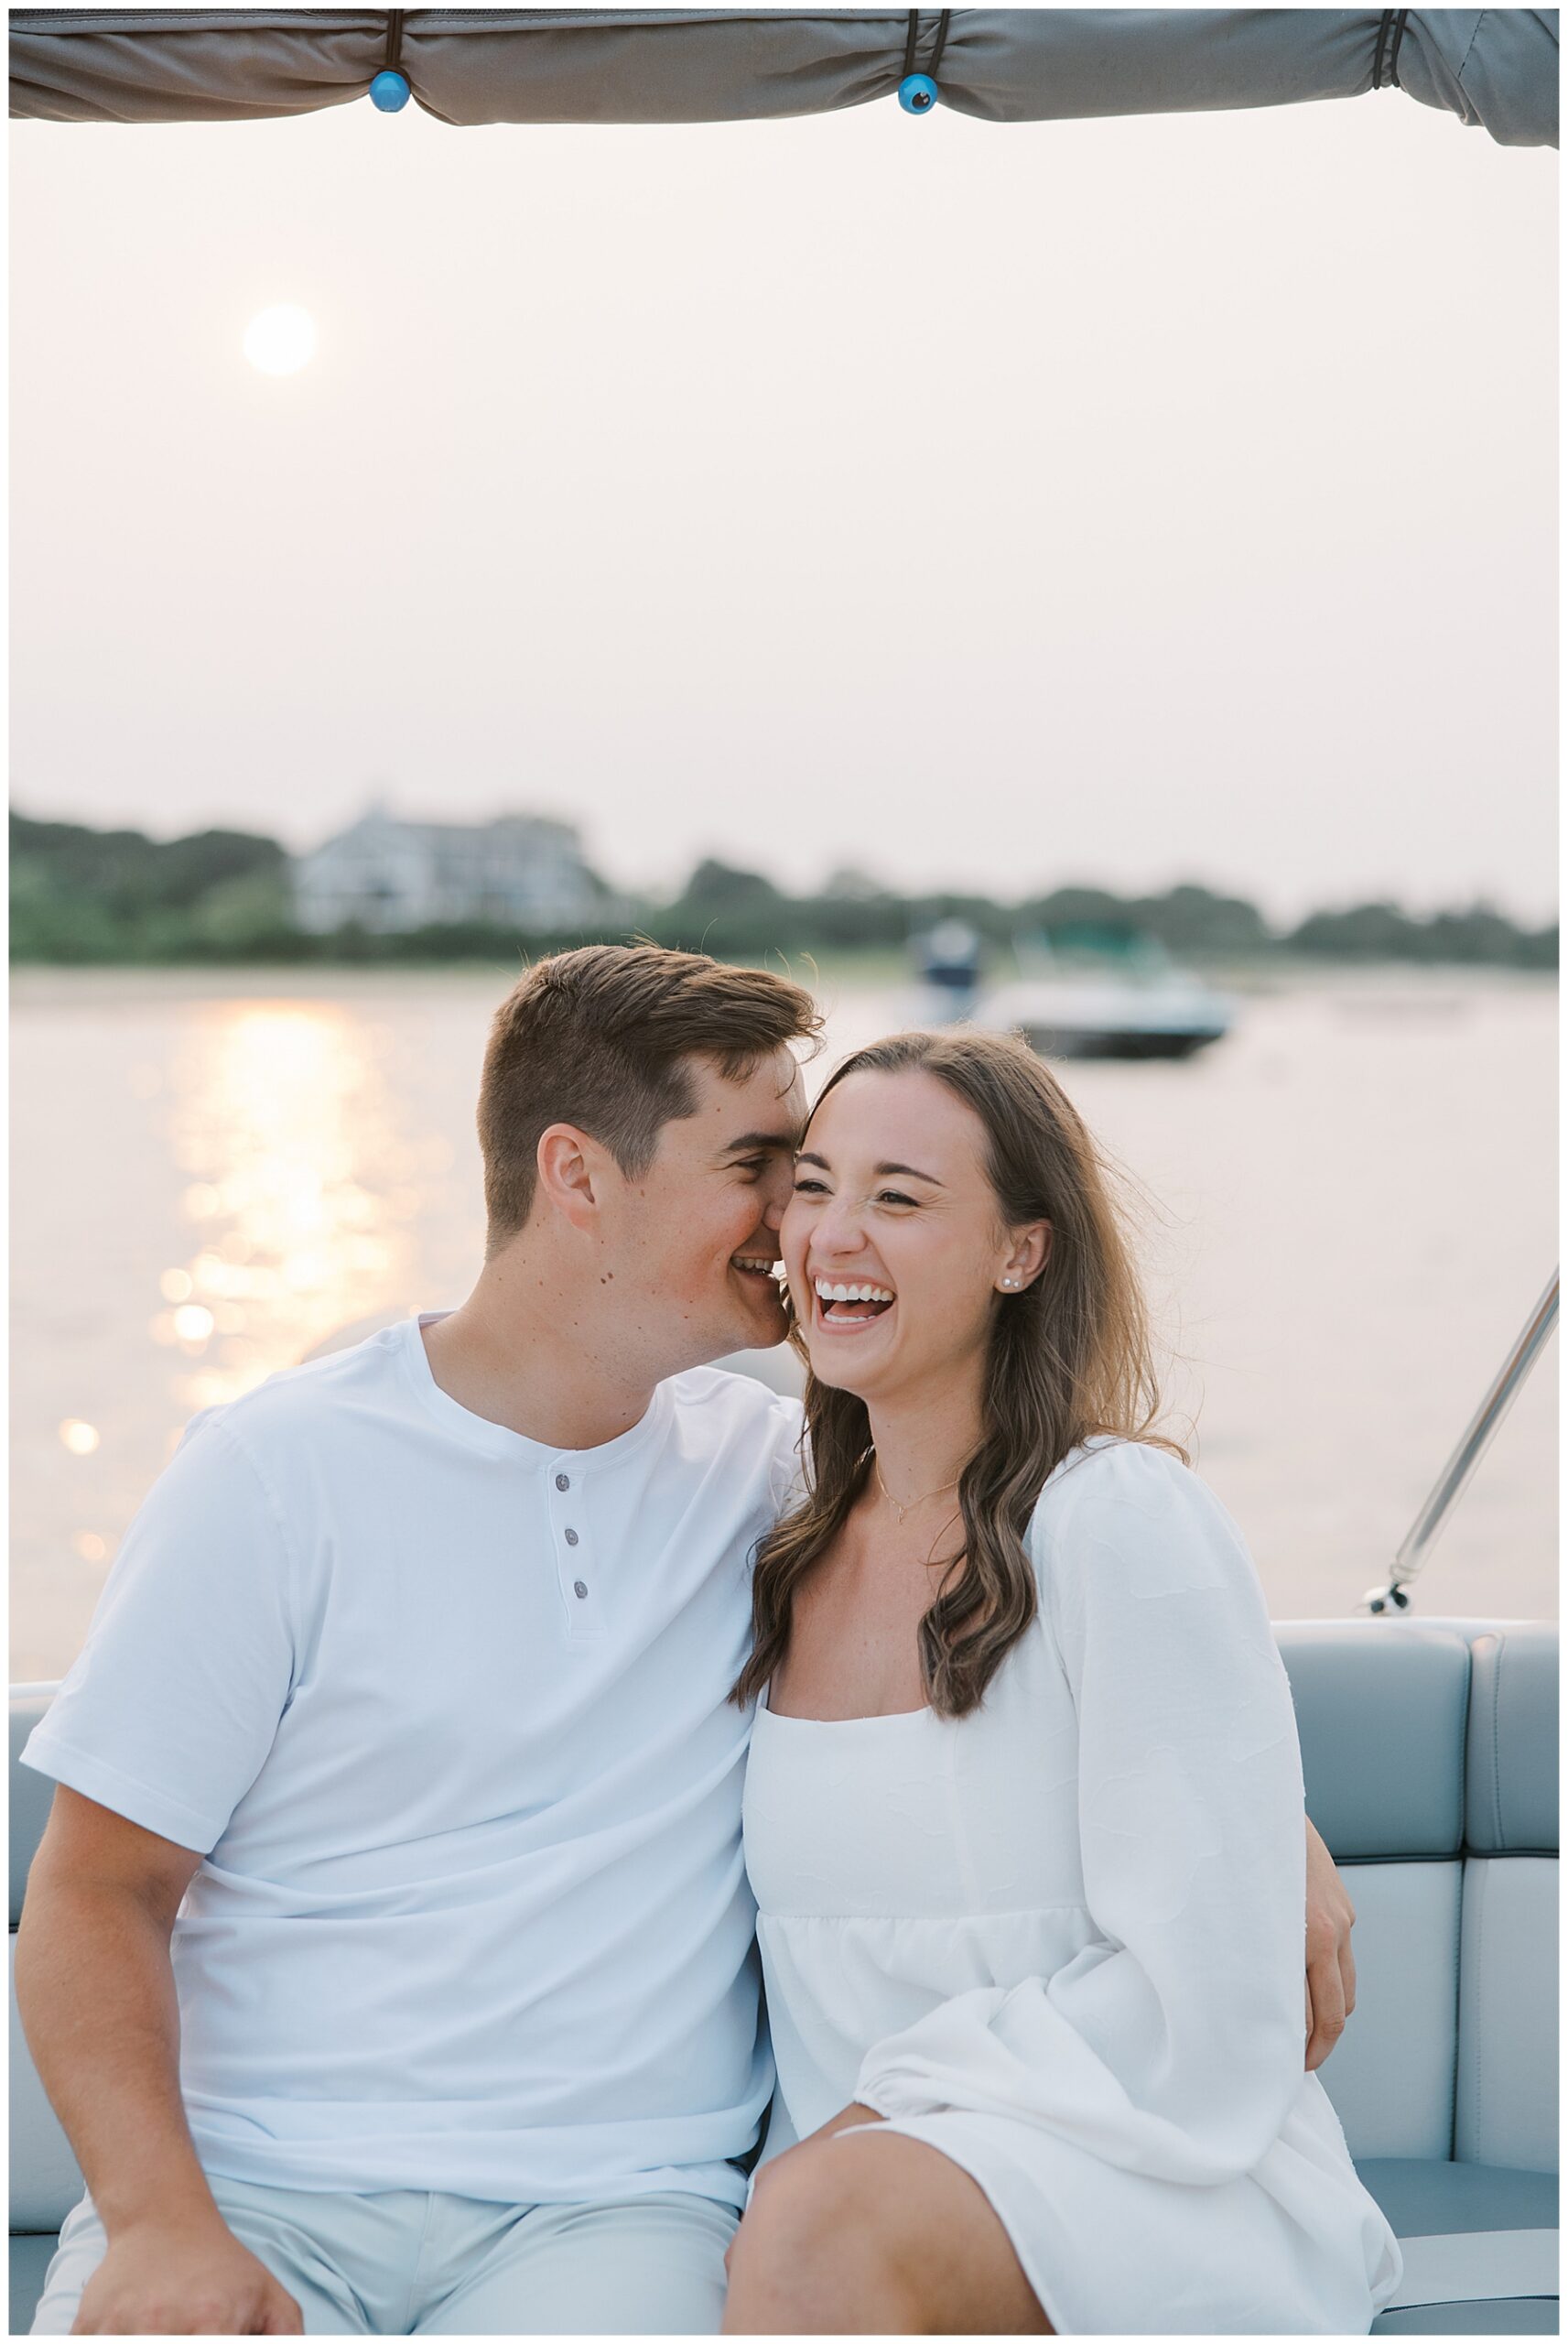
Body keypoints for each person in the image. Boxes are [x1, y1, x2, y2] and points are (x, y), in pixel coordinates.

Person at [17, 947, 1359, 2337]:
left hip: (615, 2210)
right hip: (257, 2186)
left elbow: (1082, 1610)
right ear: (579, 1176)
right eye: (767, 1166)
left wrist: (1273, 1829)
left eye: (836, 1180)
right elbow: (95, 1894)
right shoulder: (277, 1471)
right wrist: (164, 2225)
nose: (799, 1220)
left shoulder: (767, 1475)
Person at [723, 1028, 1403, 2335]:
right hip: (835, 2192)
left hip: (1128, 2162)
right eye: (811, 1186)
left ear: (1018, 1253)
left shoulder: (1113, 1519)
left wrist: (880, 2125)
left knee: (811, 2235)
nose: (832, 1237)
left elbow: (1203, 1987)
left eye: (899, 1198)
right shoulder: (767, 1518)